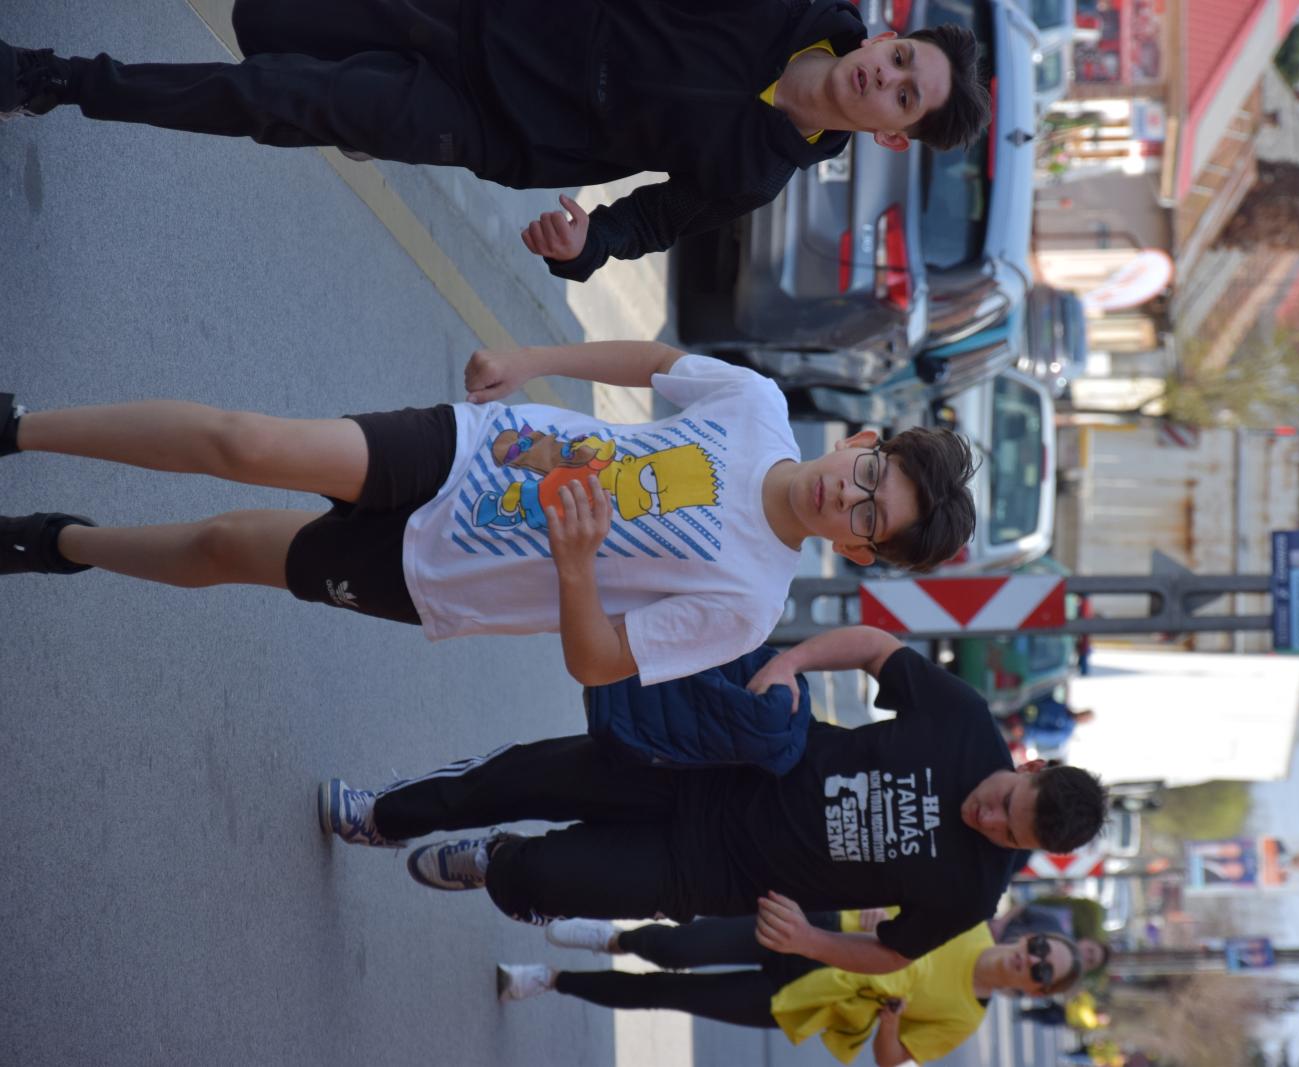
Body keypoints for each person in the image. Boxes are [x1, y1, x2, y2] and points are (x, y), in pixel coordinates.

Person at [0, 343, 976, 686]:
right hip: (474, 449)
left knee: (224, 546)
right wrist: (535, 358)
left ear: (860, 550)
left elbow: (598, 662)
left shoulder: (749, 606)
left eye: (868, 517)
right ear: (861, 441)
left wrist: (578, 564)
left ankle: (55, 541)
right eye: (869, 473)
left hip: (437, 576)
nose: (846, 495)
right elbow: (656, 363)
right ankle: (19, 428)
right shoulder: (756, 407)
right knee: (245, 441)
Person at [1, 0, 989, 282]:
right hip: (484, 15)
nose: (887, 77)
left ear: (895, 138)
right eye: (902, 59)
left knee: (277, 98)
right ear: (889, 36)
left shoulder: (756, 173)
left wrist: (587, 245)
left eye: (906, 97)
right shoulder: (786, 8)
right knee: (270, 21)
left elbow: (650, 220)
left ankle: (56, 80)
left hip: (486, 123)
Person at [320, 625, 1109, 973]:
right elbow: (876, 649)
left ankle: (500, 862)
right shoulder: (965, 723)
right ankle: (381, 816)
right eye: (1006, 799)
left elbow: (894, 953)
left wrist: (810, 940)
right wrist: (790, 663)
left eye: (1008, 832)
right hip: (706, 764)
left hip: (711, 872)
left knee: (542, 877)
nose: (988, 817)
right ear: (1031, 763)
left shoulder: (971, 892)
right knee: (518, 778)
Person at [494, 909, 1082, 1066]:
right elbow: (899, 885)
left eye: (1041, 971)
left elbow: (890, 1059)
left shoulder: (966, 1018)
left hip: (808, 1002)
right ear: (1029, 937)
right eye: (1038, 948)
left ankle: (551, 980)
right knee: (679, 948)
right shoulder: (967, 920)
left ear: (1036, 993)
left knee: (669, 995)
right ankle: (616, 939)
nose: (1028, 960)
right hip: (814, 931)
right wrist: (878, 902)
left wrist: (892, 1020)